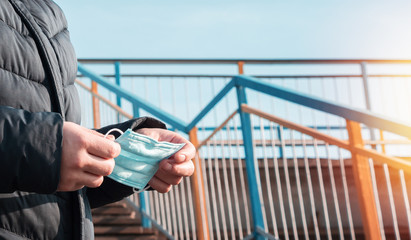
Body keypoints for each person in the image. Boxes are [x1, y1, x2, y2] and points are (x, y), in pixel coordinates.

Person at [0, 0, 195, 239]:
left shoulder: (49, 13)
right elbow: (41, 146)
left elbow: (55, 187)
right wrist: (44, 149)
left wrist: (128, 154)